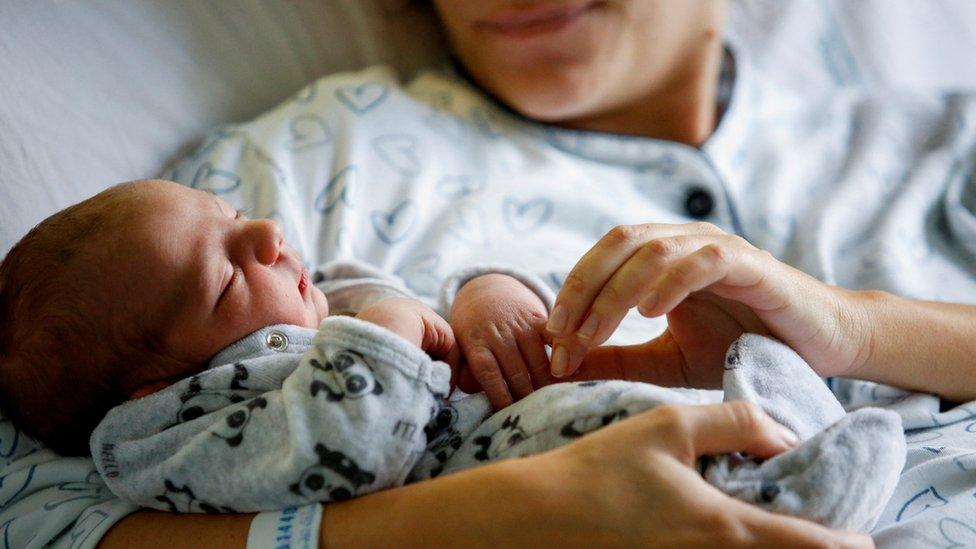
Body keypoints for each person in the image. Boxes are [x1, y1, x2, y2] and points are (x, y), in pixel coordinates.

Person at [3, 0, 975, 546]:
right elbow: (37, 505)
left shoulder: (942, 137)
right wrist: (489, 519)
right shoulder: (314, 155)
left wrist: (855, 328)